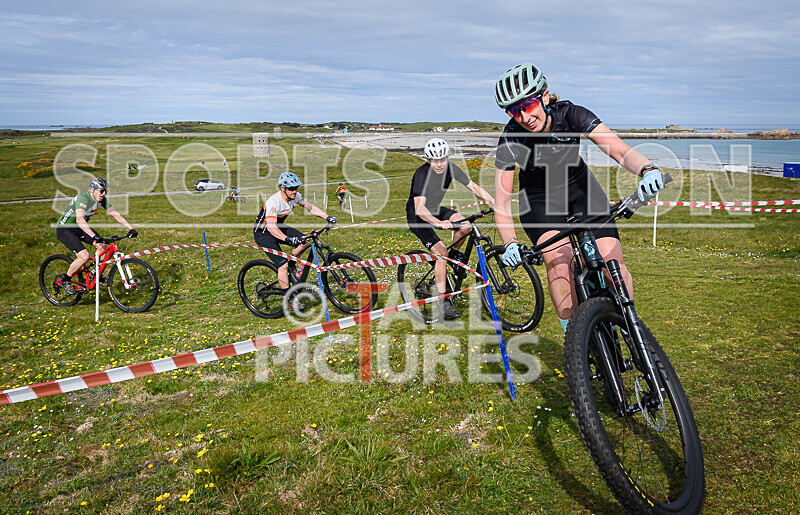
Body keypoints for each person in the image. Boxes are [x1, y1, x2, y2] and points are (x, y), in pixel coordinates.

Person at [492, 63, 665, 331]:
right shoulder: (510, 138)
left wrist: (647, 169)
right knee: (559, 267)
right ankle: (576, 338)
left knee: (612, 264)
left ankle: (631, 331)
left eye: (527, 105)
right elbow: (501, 202)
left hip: (581, 191)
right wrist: (511, 242)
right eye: (514, 110)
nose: (523, 116)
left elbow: (618, 150)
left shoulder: (571, 115)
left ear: (545, 96)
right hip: (539, 202)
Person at [406, 137, 495, 320]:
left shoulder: (451, 168)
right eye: (435, 160)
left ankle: (453, 258)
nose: (440, 164)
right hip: (418, 216)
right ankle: (443, 300)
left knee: (465, 226)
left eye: (443, 159)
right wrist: (437, 223)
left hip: (436, 209)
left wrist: (493, 201)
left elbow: (473, 186)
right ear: (428, 160)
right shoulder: (421, 175)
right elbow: (420, 208)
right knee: (441, 252)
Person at [253, 171, 337, 309]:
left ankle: (292, 264)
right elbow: (271, 227)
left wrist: (327, 217)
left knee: (304, 240)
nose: (294, 191)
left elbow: (311, 208)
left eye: (296, 188)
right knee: (282, 265)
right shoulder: (273, 202)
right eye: (291, 188)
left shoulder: (295, 196)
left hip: (278, 227)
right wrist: (287, 239)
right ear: (283, 188)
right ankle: (290, 299)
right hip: (264, 233)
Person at [55, 177, 137, 294]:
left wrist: (131, 228)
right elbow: (79, 219)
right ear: (92, 190)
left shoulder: (101, 199)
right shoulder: (84, 198)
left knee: (103, 247)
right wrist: (93, 236)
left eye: (106, 191)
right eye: (101, 191)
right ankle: (66, 280)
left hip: (80, 228)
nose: (104, 194)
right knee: (84, 256)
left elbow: (115, 214)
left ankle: (94, 274)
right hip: (65, 229)